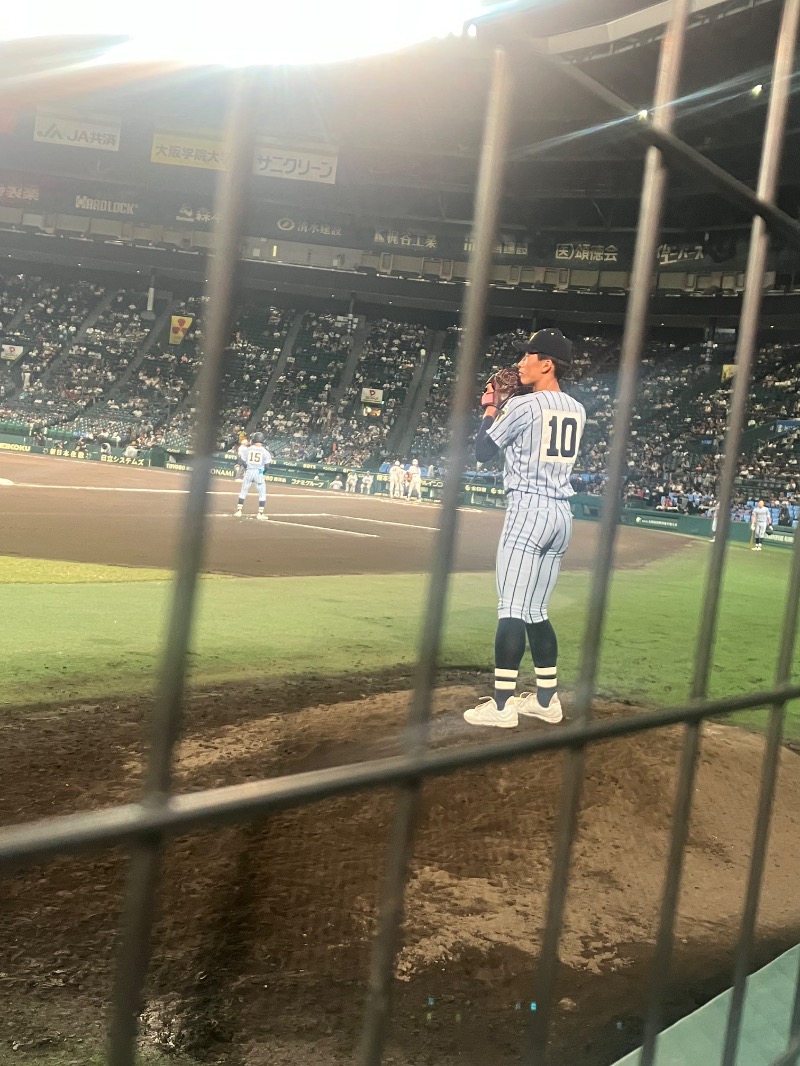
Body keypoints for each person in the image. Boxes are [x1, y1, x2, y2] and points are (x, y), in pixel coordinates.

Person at [464, 328, 586, 729]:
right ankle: (547, 702)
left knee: (512, 609)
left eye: (527, 356)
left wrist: (490, 405)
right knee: (536, 610)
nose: (519, 363)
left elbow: (482, 451)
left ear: (546, 364)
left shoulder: (524, 407)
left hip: (528, 511)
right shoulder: (577, 408)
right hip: (561, 517)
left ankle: (500, 708)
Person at [235, 432, 271, 520]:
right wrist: (262, 472)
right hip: (259, 472)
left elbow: (243, 461)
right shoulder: (265, 452)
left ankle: (239, 511)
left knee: (243, 491)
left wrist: (248, 468)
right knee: (262, 493)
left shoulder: (248, 449)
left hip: (249, 471)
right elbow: (267, 466)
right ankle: (260, 513)